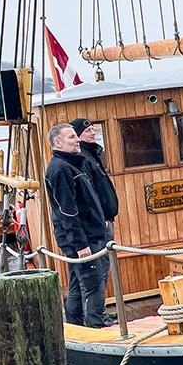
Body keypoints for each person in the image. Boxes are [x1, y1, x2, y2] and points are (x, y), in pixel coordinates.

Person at [44, 122, 112, 328]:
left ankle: (73, 323)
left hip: (91, 234)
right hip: (84, 240)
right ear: (58, 142)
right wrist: (80, 245)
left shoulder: (72, 164)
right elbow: (67, 213)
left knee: (76, 283)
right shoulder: (60, 170)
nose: (78, 140)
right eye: (72, 137)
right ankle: (96, 325)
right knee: (93, 283)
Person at [70, 118, 119, 238]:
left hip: (105, 219)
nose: (92, 133)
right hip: (99, 222)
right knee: (104, 255)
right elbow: (88, 193)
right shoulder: (82, 158)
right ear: (77, 135)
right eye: (87, 130)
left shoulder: (92, 155)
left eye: (92, 129)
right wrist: (100, 219)